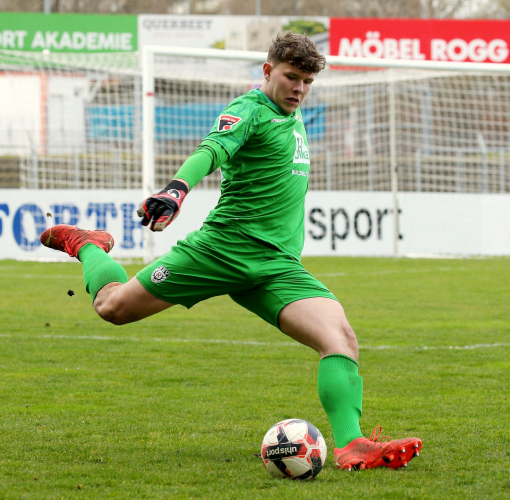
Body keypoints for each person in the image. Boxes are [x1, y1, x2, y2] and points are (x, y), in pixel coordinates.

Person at [40, 31, 422, 472]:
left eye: (307, 82)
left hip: (277, 266)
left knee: (341, 340)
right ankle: (88, 245)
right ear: (267, 71)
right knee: (112, 307)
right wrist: (176, 190)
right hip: (221, 251)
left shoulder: (292, 116)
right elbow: (213, 149)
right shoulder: (248, 110)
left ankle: (352, 445)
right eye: (291, 77)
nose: (298, 89)